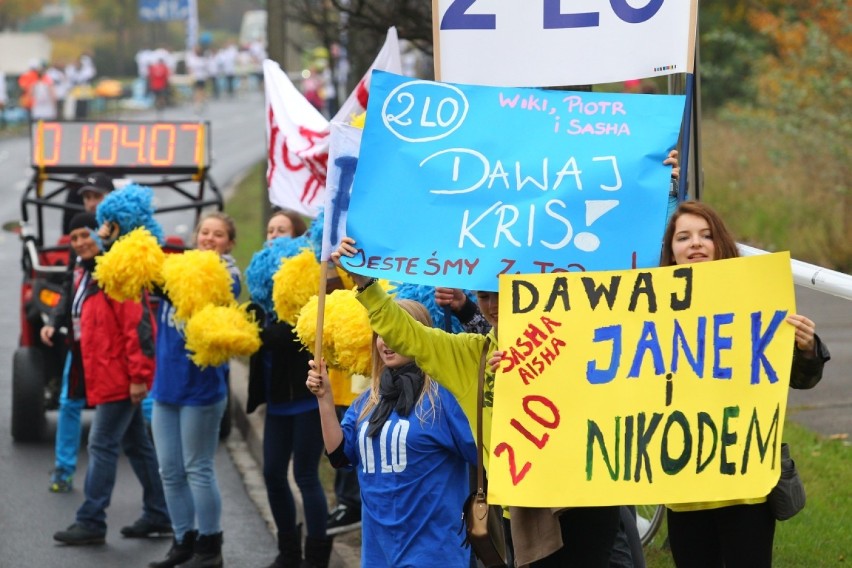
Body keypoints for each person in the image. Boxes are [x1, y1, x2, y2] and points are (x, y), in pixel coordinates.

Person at [333, 238, 621, 567]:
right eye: (483, 295)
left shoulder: (569, 336)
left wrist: (535, 367)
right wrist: (364, 283)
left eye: (501, 293)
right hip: (527, 507)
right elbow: (407, 334)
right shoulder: (472, 355)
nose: (492, 304)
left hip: (586, 496)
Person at [660, 200, 830, 568]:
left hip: (745, 484)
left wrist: (807, 348)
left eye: (706, 235)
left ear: (721, 244)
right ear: (671, 252)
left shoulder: (757, 298)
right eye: (683, 237)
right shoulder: (651, 310)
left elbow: (801, 379)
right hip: (682, 485)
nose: (695, 244)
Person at [306, 299, 478, 567]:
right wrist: (324, 398)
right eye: (380, 334)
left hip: (434, 552)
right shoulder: (368, 401)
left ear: (418, 335)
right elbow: (340, 456)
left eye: (396, 332)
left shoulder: (445, 398)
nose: (386, 342)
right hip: (379, 552)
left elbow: (485, 455)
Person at [52, 212, 171, 546]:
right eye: (73, 238)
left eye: (85, 234)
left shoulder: (115, 275)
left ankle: (91, 519)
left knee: (101, 444)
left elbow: (138, 328)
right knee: (136, 444)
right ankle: (159, 513)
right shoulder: (85, 274)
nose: (80, 243)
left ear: (100, 233)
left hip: (120, 377)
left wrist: (138, 377)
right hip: (103, 374)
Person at [147, 212, 240, 568]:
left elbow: (194, 290)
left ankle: (210, 544)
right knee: (169, 470)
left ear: (229, 243)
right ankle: (182, 539)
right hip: (166, 385)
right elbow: (154, 279)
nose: (209, 239)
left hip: (201, 388)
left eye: (218, 235)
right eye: (204, 232)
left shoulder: (228, 275)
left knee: (197, 467)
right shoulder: (180, 267)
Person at [245, 209, 332, 568]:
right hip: (276, 399)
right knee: (271, 473)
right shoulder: (261, 291)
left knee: (306, 475)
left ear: (297, 237)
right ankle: (288, 551)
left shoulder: (306, 286)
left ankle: (316, 554)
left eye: (282, 230)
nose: (274, 235)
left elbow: (289, 335)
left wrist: (251, 334)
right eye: (269, 230)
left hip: (305, 399)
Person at [44, 172, 116, 493]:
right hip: (80, 342)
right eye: (87, 197)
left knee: (136, 408)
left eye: (97, 196)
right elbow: (68, 288)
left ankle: (157, 478)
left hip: (112, 345)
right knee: (69, 402)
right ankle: (63, 470)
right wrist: (55, 321)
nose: (91, 202)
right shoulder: (80, 240)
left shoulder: (123, 241)